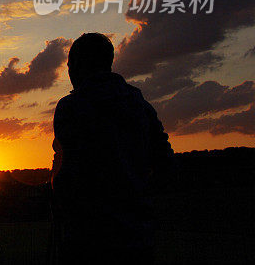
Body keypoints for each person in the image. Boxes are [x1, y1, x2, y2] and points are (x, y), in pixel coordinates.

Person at [51, 33, 173, 264]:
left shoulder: (71, 107)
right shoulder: (139, 104)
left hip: (87, 242)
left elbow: (67, 175)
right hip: (138, 240)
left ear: (78, 66)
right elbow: (166, 163)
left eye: (69, 66)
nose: (68, 74)